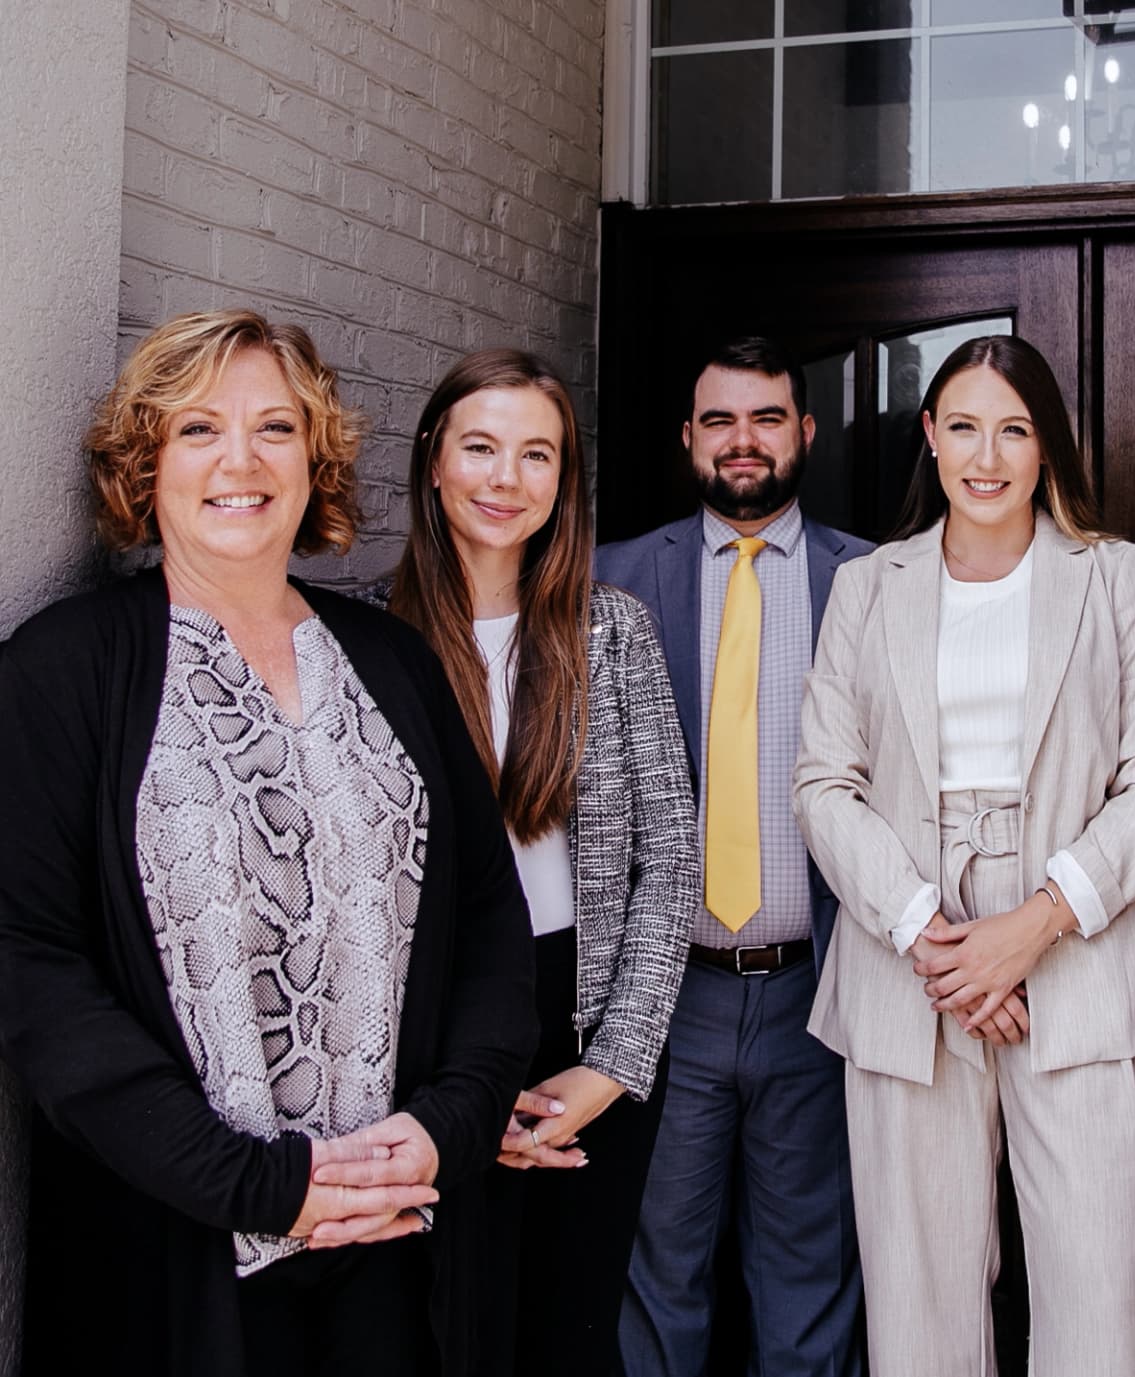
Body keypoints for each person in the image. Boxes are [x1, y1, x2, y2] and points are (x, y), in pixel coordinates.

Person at [0, 310, 537, 1377]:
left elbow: (485, 915)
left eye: (276, 429)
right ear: (144, 465)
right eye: (198, 430)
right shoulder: (64, 670)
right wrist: (263, 1186)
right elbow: (32, 967)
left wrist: (446, 1127)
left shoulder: (394, 664)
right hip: (175, 1253)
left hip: (396, 1234)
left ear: (315, 459)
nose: (240, 462)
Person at [793, 334, 1135, 1375]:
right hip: (905, 969)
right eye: (964, 427)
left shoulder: (1114, 579)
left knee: (1101, 1303)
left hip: (1081, 956)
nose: (987, 455)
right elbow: (824, 785)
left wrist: (1034, 926)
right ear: (929, 437)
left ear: (1046, 448)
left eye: (1014, 430)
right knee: (918, 1309)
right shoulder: (867, 589)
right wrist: (934, 937)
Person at [373, 349, 699, 1376]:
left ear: (564, 480)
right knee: (448, 1328)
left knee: (569, 1332)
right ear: (434, 461)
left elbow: (670, 865)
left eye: (536, 455)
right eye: (480, 448)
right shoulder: (367, 641)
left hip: (586, 1010)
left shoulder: (615, 632)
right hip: (428, 1032)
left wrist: (609, 1068)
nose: (506, 479)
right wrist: (449, 1093)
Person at [597, 337, 870, 1376]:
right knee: (655, 1271)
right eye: (719, 420)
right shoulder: (606, 579)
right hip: (665, 1001)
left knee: (809, 1278)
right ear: (688, 438)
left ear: (804, 432)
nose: (742, 442)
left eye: (765, 418)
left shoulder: (876, 580)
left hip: (823, 988)